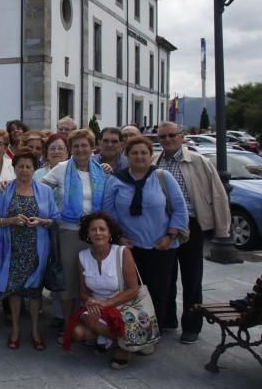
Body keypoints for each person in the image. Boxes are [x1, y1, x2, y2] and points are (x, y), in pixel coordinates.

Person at [153, 121, 231, 344]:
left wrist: (222, 229)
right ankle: (168, 319)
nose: (167, 140)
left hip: (190, 225)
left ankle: (192, 325)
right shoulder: (154, 161)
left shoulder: (198, 162)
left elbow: (218, 194)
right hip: (162, 227)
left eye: (171, 135)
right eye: (162, 137)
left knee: (192, 278)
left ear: (181, 136)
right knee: (165, 276)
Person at [103, 136, 189, 330]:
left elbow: (180, 209)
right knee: (132, 291)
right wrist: (118, 238)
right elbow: (108, 212)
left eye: (144, 153)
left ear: (151, 155)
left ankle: (152, 331)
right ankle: (133, 329)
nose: (139, 156)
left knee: (159, 291)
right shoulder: (116, 180)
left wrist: (170, 236)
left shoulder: (162, 177)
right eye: (134, 153)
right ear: (127, 155)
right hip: (130, 248)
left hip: (161, 246)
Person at [38, 129, 108, 324]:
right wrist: (51, 212)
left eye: (84, 145)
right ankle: (69, 323)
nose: (80, 149)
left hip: (95, 235)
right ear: (71, 149)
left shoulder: (100, 170)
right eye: (76, 145)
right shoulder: (61, 168)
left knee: (92, 280)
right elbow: (39, 189)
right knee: (69, 280)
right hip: (68, 232)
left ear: (93, 148)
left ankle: (91, 323)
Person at [0, 148, 59, 350]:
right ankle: (15, 329)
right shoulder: (5, 190)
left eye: (28, 166)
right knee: (15, 291)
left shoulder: (45, 191)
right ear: (14, 168)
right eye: (20, 166)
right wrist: (10, 220)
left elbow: (54, 219)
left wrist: (41, 221)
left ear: (34, 169)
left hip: (36, 249)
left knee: (35, 292)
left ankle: (36, 331)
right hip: (12, 249)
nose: (24, 170)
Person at [63, 212, 141, 369]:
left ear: (109, 232)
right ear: (87, 234)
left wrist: (106, 303)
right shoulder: (82, 256)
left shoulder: (122, 252)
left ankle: (123, 346)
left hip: (121, 303)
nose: (98, 233)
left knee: (92, 322)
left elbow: (134, 289)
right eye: (93, 230)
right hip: (95, 306)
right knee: (77, 333)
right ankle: (107, 335)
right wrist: (90, 301)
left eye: (102, 229)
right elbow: (83, 292)